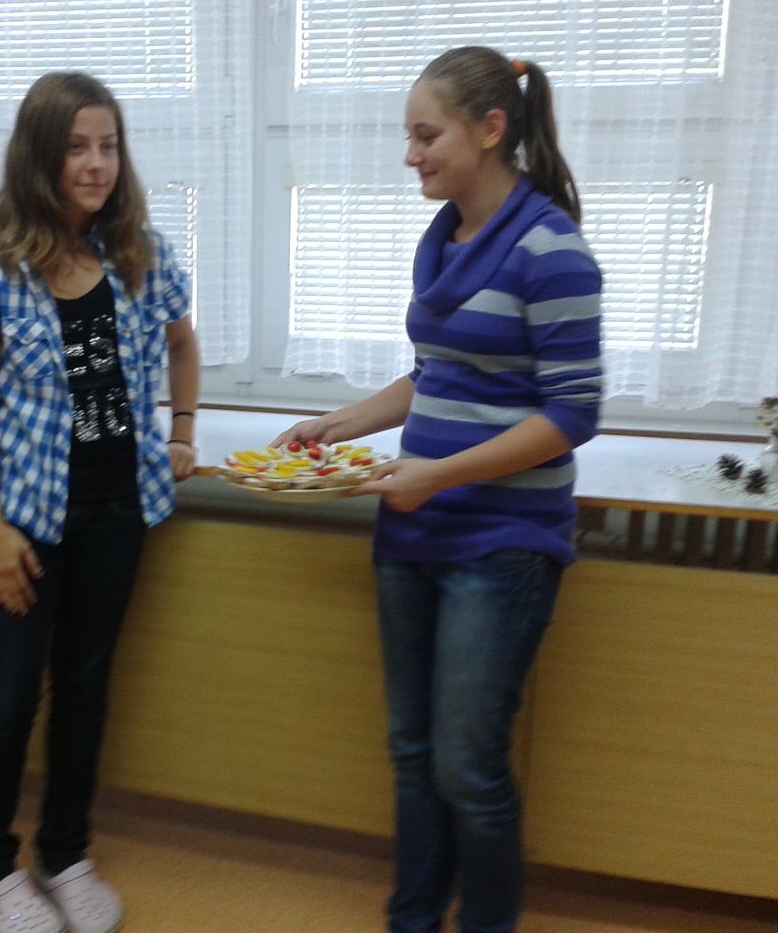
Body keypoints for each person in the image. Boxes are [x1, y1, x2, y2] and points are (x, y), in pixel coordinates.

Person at [275, 47, 602, 933]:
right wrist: (337, 425)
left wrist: (439, 475)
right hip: (413, 530)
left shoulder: (551, 248)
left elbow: (573, 413)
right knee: (413, 753)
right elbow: (436, 375)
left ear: (491, 129)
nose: (410, 155)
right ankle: (412, 919)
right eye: (409, 136)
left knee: (468, 766)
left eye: (427, 136)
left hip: (500, 545)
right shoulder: (443, 239)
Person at [0, 71, 200, 933]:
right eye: (76, 148)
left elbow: (182, 345)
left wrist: (182, 431)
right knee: (6, 700)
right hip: (22, 517)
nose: (95, 165)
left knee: (85, 687)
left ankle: (64, 853)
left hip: (115, 509)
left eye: (108, 146)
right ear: (39, 157)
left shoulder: (141, 252)